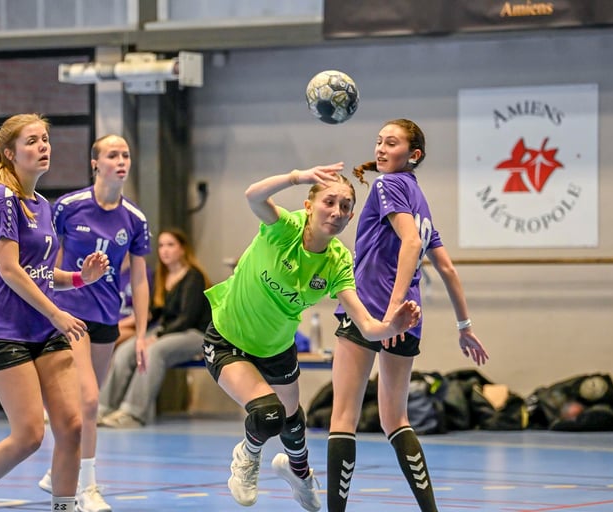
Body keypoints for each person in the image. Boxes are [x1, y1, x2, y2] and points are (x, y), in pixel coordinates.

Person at [202, 163, 422, 511]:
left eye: (345, 207)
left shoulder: (337, 262)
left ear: (351, 217)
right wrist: (296, 177)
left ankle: (300, 474)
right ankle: (248, 454)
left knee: (292, 423)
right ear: (309, 206)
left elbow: (366, 325)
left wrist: (391, 327)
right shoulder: (284, 229)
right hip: (229, 339)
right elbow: (253, 195)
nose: (336, 212)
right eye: (328, 202)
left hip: (277, 348)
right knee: (268, 414)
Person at [0, 113, 109, 512]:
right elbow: (10, 270)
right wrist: (57, 314)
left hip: (42, 332)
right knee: (30, 435)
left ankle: (64, 506)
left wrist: (80, 278)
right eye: (32, 141)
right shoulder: (2, 199)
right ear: (10, 153)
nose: (43, 146)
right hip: (2, 330)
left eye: (45, 139)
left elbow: (41, 274)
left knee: (71, 426)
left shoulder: (42, 206)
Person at [325, 119, 490, 512]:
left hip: (371, 310)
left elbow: (411, 243)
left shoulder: (387, 185)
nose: (381, 149)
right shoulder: (419, 199)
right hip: (408, 321)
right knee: (395, 420)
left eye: (392, 143)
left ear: (413, 155)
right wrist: (464, 326)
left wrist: (391, 310)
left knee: (343, 418)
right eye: (379, 141)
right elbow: (447, 268)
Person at [37, 134, 151, 512]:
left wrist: (141, 335)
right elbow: (45, 258)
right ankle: (87, 487)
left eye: (126, 155)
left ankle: (58, 471)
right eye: (112, 155)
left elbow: (139, 279)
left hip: (106, 317)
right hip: (70, 313)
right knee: (87, 400)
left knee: (87, 404)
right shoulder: (69, 207)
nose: (121, 161)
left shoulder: (134, 219)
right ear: (95, 163)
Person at [99, 228, 211, 428]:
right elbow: (157, 311)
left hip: (195, 334)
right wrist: (143, 331)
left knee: (152, 351)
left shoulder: (194, 277)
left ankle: (133, 413)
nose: (164, 250)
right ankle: (103, 408)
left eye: (170, 245)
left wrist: (157, 336)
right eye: (161, 245)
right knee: (127, 350)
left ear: (182, 249)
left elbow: (187, 319)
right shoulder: (163, 277)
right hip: (169, 332)